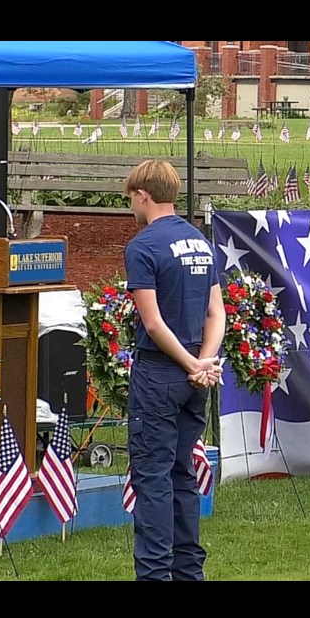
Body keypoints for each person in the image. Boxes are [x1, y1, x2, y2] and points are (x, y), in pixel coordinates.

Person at [123, 159, 226, 581]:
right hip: (195, 377)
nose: (131, 205)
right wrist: (205, 361)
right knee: (183, 474)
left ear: (142, 195)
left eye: (130, 197)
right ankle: (189, 573)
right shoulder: (200, 241)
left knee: (152, 479)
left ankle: (154, 574)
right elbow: (216, 312)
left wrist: (188, 363)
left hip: (160, 373)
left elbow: (152, 322)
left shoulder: (143, 247)